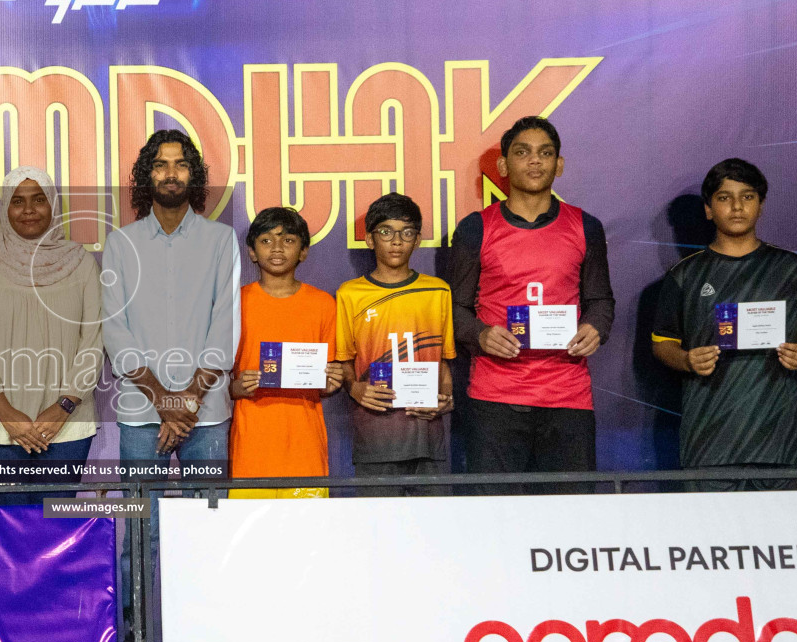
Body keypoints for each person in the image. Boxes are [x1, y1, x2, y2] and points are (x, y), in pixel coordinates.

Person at [450, 116, 614, 492]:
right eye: (523, 153)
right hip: (496, 397)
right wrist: (480, 334)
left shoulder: (585, 226)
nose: (535, 161)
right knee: (495, 521)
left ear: (559, 164)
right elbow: (454, 309)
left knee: (569, 521)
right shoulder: (476, 227)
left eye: (545, 153)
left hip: (567, 396)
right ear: (504, 165)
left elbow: (600, 299)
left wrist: (595, 328)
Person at [651, 158, 797, 491]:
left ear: (760, 206)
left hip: (778, 438)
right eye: (724, 197)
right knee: (712, 539)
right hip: (709, 440)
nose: (736, 206)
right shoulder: (684, 275)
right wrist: (686, 360)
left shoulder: (791, 268)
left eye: (747, 197)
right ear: (708, 210)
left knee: (781, 538)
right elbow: (662, 344)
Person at [0, 166, 102, 506]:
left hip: (66, 426)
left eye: (39, 200)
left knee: (54, 534)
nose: (29, 209)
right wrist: (7, 412)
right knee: (9, 535)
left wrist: (63, 406)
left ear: (53, 205)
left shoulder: (82, 264)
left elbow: (93, 340)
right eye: (17, 201)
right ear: (5, 208)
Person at [102, 128, 240, 474]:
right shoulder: (121, 244)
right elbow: (115, 330)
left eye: (180, 165)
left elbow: (226, 324)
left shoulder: (220, 240)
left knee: (207, 523)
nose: (170, 173)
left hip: (206, 414)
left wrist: (190, 397)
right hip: (141, 410)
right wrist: (163, 400)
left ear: (193, 175)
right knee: (142, 526)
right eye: (161, 165)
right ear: (147, 175)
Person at [336, 192, 456, 495]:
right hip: (376, 437)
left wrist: (445, 398)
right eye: (386, 232)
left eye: (407, 233)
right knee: (378, 533)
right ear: (369, 239)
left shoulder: (437, 291)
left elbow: (443, 361)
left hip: (426, 437)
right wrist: (354, 387)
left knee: (432, 532)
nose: (396, 241)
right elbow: (344, 360)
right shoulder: (350, 294)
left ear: (417, 240)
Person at [229, 206, 343, 498]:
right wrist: (237, 387)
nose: (277, 248)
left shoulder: (323, 304)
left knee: (307, 534)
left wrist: (332, 383)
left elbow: (329, 377)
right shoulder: (234, 304)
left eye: (288, 240)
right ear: (252, 252)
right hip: (252, 443)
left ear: (303, 251)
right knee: (251, 533)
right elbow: (219, 380)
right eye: (266, 240)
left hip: (304, 443)